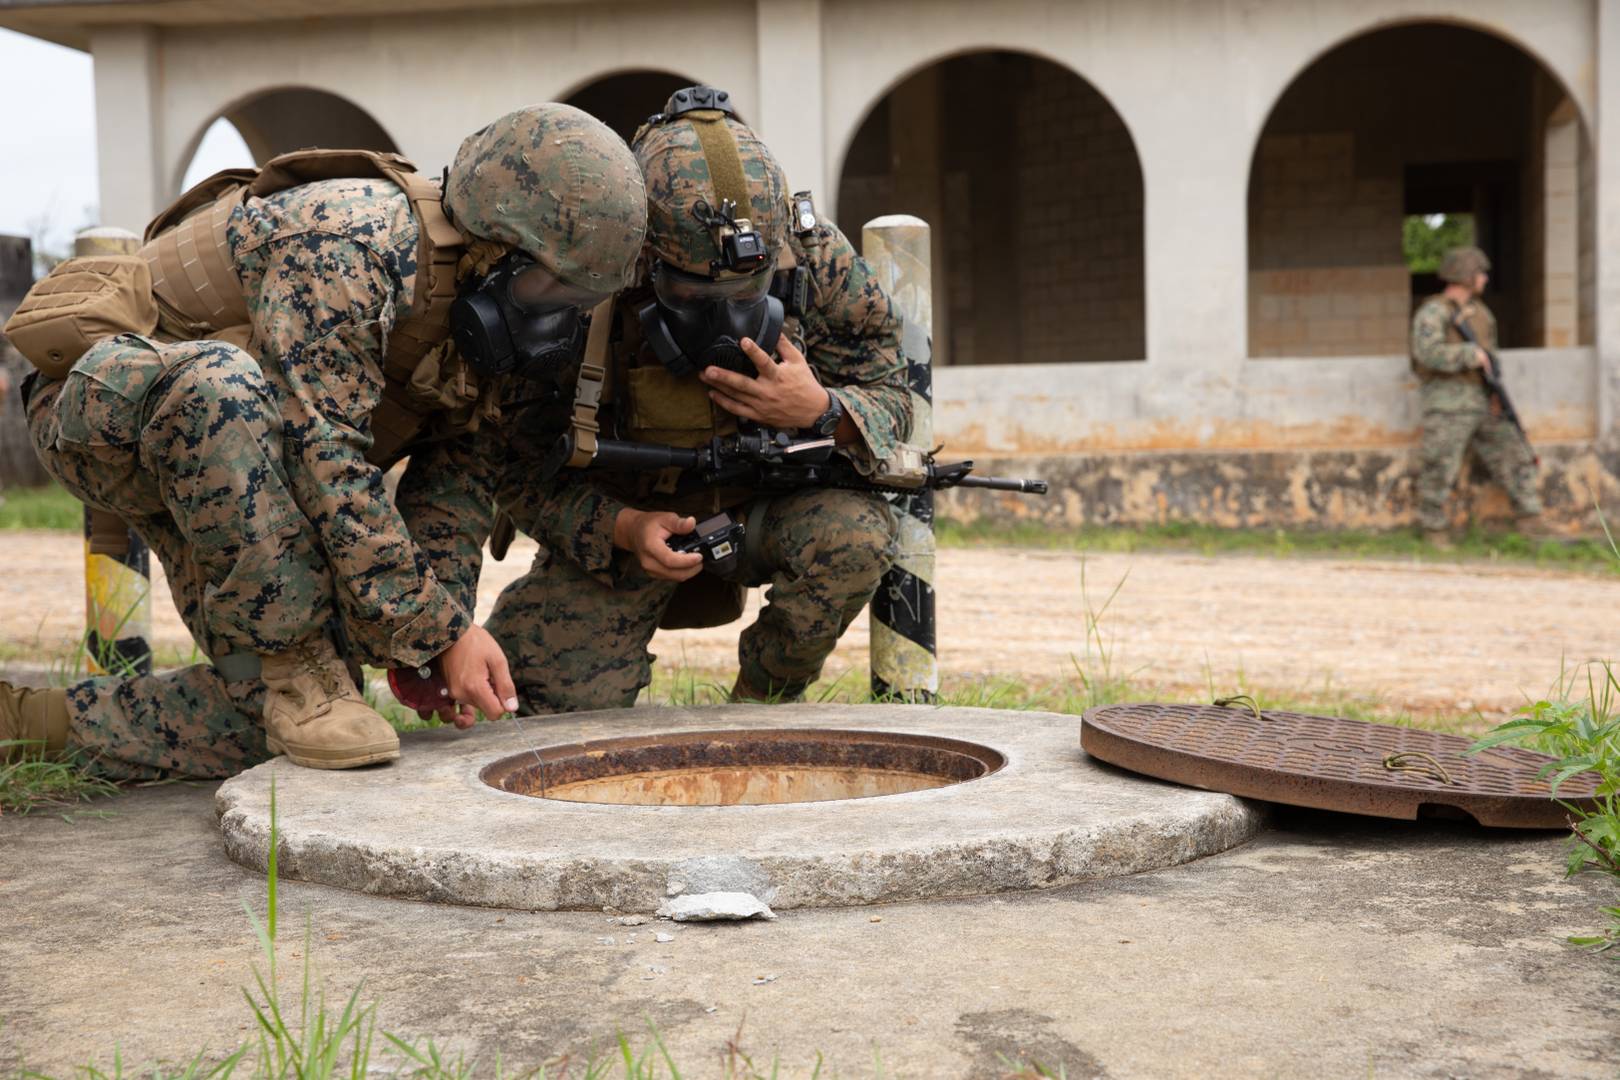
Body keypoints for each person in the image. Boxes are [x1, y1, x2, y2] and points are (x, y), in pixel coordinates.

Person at [0, 103, 646, 777]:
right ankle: (295, 664)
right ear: (495, 243)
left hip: (245, 468)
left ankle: (23, 724)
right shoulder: (347, 243)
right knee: (222, 386)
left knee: (270, 725)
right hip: (114, 416)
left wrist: (428, 640)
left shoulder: (483, 307)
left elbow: (457, 479)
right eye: (554, 288)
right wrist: (441, 632)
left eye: (581, 299)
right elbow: (326, 460)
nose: (562, 316)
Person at [484, 85, 912, 712]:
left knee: (854, 538)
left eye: (746, 293)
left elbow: (895, 395)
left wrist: (822, 410)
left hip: (767, 514)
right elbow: (515, 466)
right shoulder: (583, 271)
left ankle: (760, 708)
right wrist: (624, 528)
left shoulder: (813, 259)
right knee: (545, 719)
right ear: (644, 254)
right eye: (689, 297)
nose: (724, 322)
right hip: (628, 529)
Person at [1410, 245, 1551, 547]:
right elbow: (1425, 353)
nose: (1485, 279)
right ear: (1464, 275)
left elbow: (1491, 355)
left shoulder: (1481, 314)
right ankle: (1433, 529)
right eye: (1480, 273)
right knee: (1439, 466)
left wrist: (1496, 393)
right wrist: (1467, 354)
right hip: (1448, 403)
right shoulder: (1433, 312)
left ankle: (1531, 520)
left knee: (1515, 454)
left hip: (1483, 399)